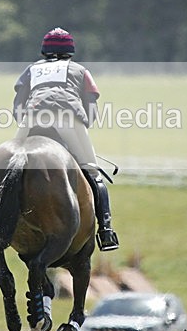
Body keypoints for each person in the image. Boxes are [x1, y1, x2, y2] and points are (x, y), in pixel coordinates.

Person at [13, 27, 119, 251]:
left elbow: (18, 105)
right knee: (92, 172)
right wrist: (81, 130)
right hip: (68, 120)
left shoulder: (31, 70)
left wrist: (25, 123)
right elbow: (91, 108)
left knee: (9, 166)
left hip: (33, 118)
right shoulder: (81, 70)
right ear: (70, 51)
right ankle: (106, 230)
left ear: (44, 50)